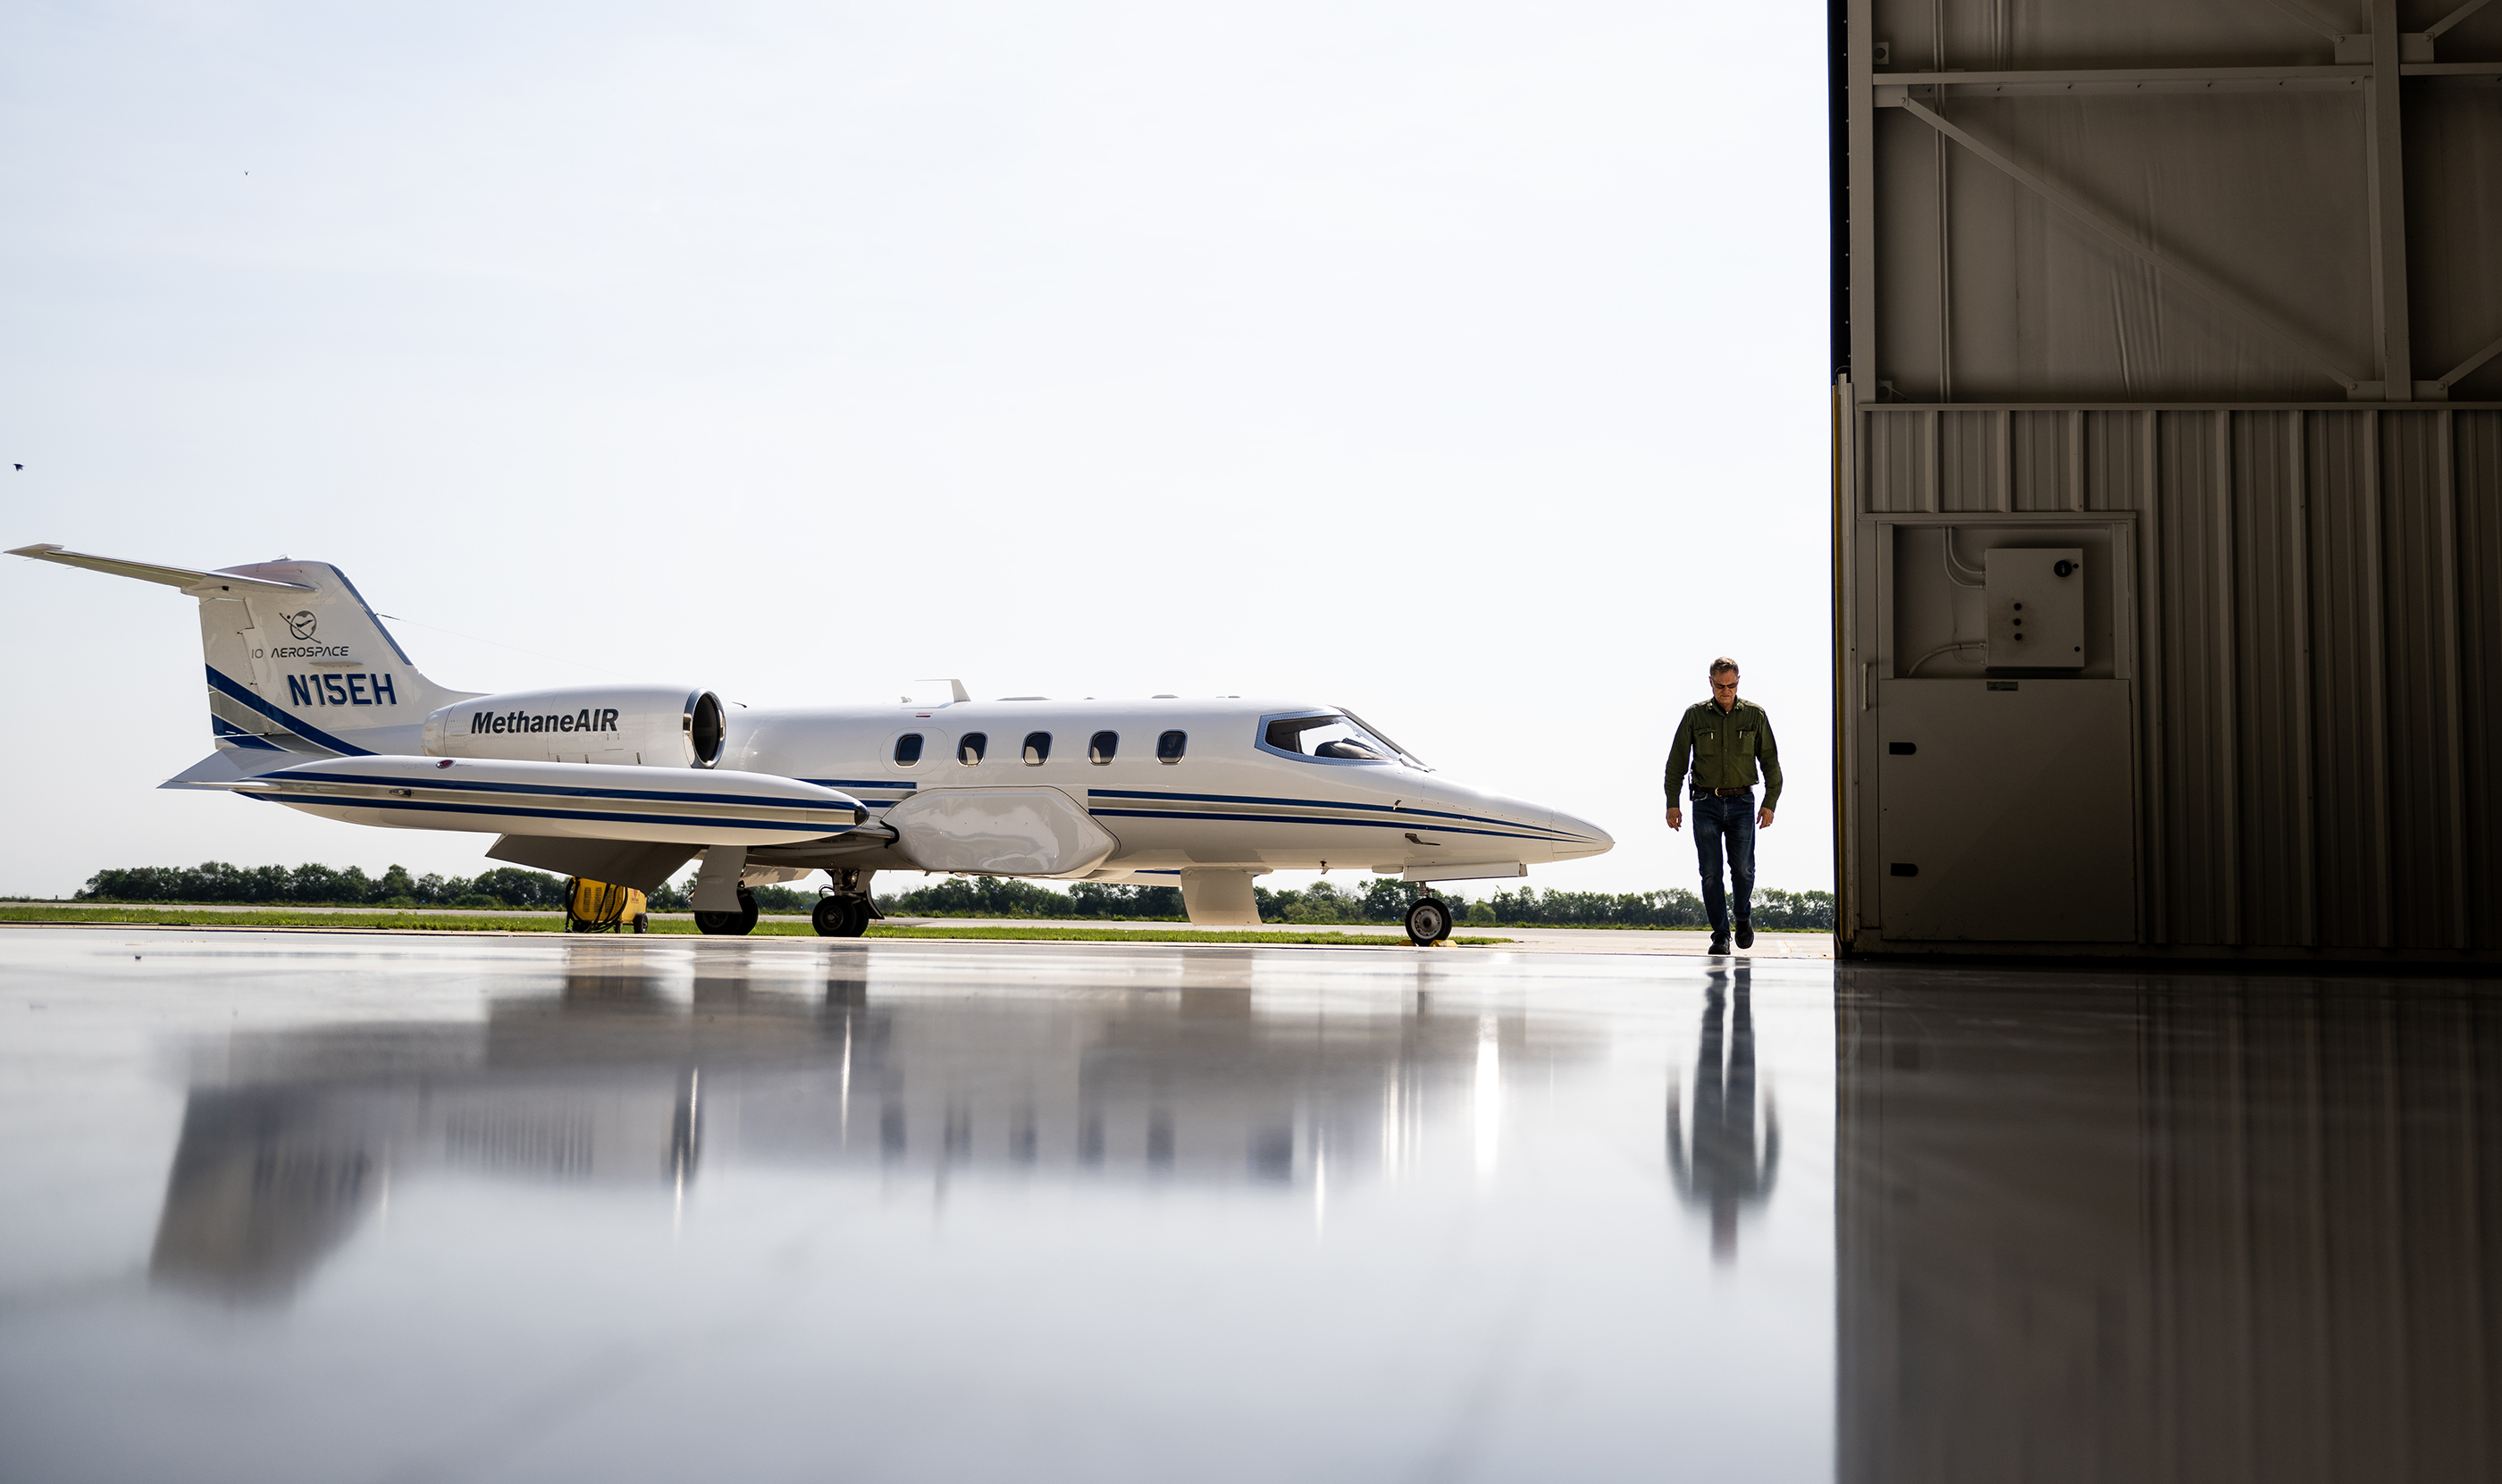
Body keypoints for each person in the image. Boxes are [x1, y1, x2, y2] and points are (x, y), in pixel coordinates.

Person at [1664, 658, 1782, 953]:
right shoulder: (1694, 716)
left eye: (1731, 685)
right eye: (1720, 686)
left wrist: (1769, 803)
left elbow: (1770, 762)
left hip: (1743, 802)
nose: (1725, 691)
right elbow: (1676, 763)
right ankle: (1720, 934)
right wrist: (1672, 803)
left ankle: (1742, 917)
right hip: (1705, 802)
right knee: (1710, 872)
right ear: (1711, 683)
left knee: (1743, 869)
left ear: (1738, 682)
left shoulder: (1755, 715)